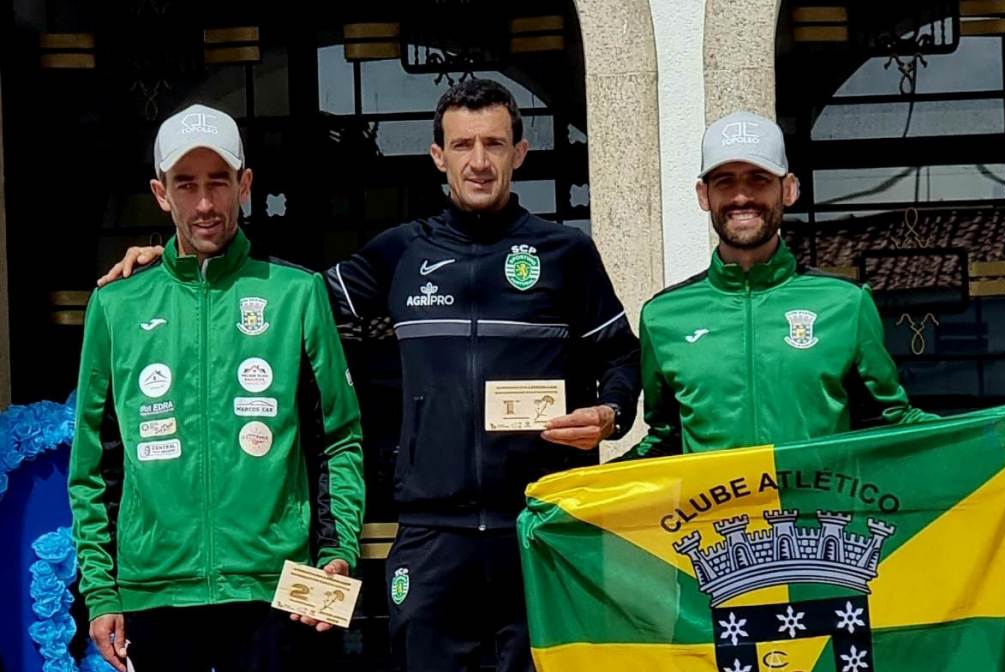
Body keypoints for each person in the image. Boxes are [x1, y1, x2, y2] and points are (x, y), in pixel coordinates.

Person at [97, 80, 642, 672]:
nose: (479, 162)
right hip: (433, 536)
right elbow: (285, 298)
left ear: (521, 152)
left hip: (540, 524)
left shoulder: (566, 252)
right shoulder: (399, 252)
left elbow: (621, 356)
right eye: (462, 145)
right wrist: (178, 263)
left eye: (493, 144)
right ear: (438, 156)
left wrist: (611, 414)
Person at [70, 104, 366, 672]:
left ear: (245, 186)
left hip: (279, 592)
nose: (204, 204)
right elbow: (94, 463)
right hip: (154, 592)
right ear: (161, 193)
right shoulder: (114, 306)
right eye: (186, 184)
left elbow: (340, 437)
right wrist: (102, 591)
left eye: (218, 182)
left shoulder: (296, 295)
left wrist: (336, 553)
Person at [625, 110, 936, 459]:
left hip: (817, 513)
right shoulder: (663, 316)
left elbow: (890, 419)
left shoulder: (846, 302)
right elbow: (665, 439)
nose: (741, 196)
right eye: (725, 181)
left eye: (758, 179)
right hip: (718, 514)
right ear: (703, 195)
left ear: (788, 190)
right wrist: (571, 495)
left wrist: (998, 436)